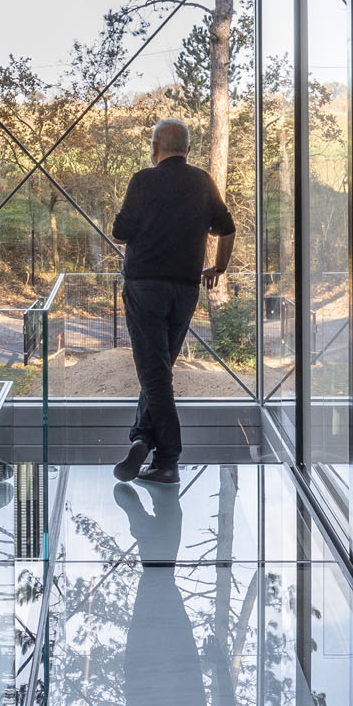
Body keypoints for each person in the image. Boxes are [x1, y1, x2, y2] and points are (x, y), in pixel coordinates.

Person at [107, 118, 236, 482]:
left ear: (154, 147)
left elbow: (120, 232)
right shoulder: (201, 182)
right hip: (185, 289)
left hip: (145, 286)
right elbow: (227, 228)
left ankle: (169, 460)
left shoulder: (143, 180)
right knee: (159, 370)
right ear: (188, 148)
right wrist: (219, 267)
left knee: (154, 374)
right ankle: (143, 441)